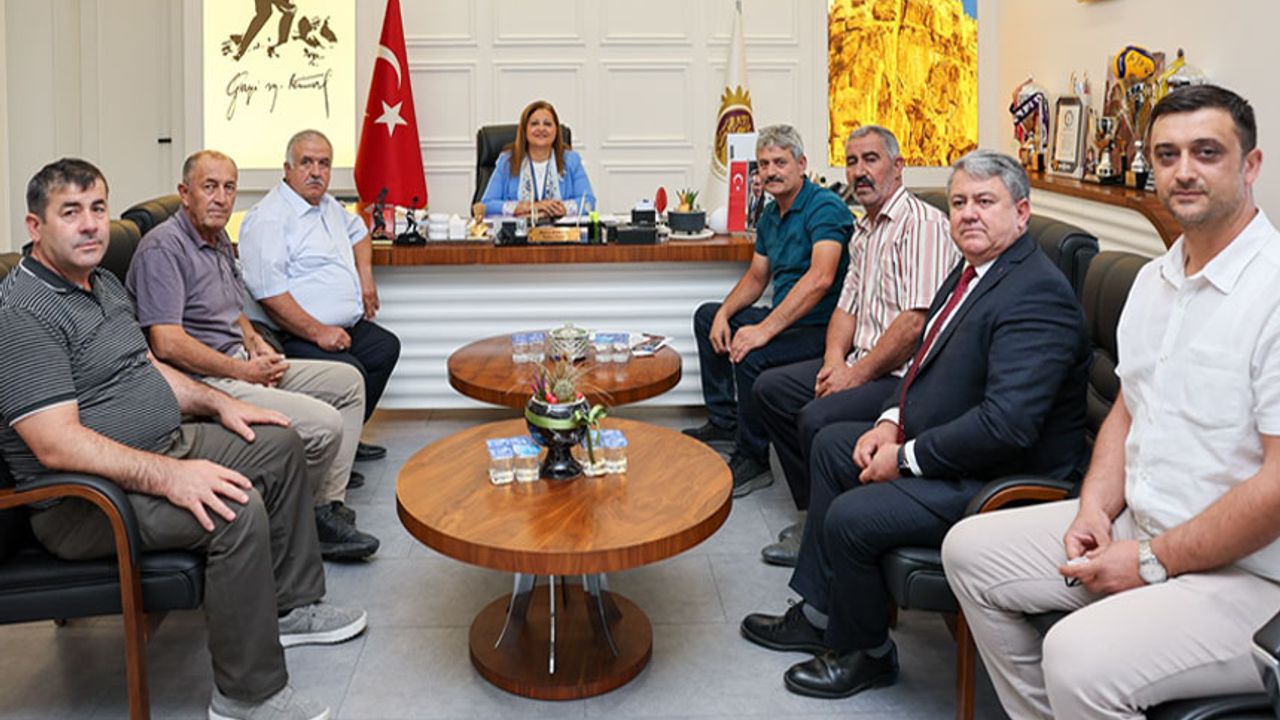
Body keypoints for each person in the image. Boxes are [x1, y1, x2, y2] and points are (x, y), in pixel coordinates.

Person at [944, 85, 1280, 719]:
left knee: (1076, 655)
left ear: (1251, 165)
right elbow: (1129, 407)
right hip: (1142, 527)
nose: (1184, 170)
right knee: (969, 551)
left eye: (1207, 152)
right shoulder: (1155, 280)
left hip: (1250, 576)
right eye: (1167, 155)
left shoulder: (1272, 292)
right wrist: (1094, 508)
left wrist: (1151, 561)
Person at [0, 158, 365, 720]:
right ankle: (246, 696)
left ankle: (292, 608)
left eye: (97, 208)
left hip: (160, 445)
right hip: (84, 502)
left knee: (278, 443)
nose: (91, 224)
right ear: (35, 226)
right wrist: (172, 476)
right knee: (235, 507)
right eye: (70, 212)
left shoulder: (102, 284)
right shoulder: (23, 313)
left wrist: (221, 402)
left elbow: (147, 368)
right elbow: (57, 445)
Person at [740, 149, 1089, 700]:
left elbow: (1006, 428)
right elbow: (926, 366)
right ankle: (821, 613)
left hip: (999, 481)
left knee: (852, 515)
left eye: (985, 202)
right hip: (955, 447)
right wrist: (890, 421)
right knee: (833, 444)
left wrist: (904, 458)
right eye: (959, 203)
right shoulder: (973, 270)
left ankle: (866, 654)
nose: (968, 214)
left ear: (1021, 213)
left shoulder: (1036, 294)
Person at [127, 149, 379, 561]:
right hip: (203, 381)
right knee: (325, 424)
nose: (221, 198)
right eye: (210, 187)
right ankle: (299, 523)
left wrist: (253, 339)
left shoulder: (218, 239)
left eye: (229, 188)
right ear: (185, 193)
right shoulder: (163, 250)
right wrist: (242, 371)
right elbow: (167, 342)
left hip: (242, 359)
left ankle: (325, 507)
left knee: (350, 383)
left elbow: (231, 307)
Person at [753, 125, 956, 566]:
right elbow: (845, 308)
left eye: (870, 159)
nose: (859, 171)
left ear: (898, 167)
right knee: (771, 389)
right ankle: (814, 511)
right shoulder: (864, 230)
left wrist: (854, 375)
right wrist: (833, 363)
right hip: (861, 362)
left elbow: (914, 324)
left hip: (903, 377)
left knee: (815, 416)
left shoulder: (921, 225)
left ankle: (825, 531)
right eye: (851, 162)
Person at [683, 124, 852, 494]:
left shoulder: (825, 207)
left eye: (780, 162)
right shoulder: (771, 215)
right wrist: (724, 314)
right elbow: (757, 277)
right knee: (707, 317)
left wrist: (763, 330)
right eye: (763, 164)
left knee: (751, 352)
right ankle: (725, 423)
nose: (770, 171)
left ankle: (754, 458)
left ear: (801, 164)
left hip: (821, 328)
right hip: (787, 319)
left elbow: (821, 278)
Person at [238, 129, 401, 465]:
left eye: (324, 164)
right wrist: (318, 332)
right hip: (294, 332)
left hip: (340, 327)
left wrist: (366, 278)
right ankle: (328, 453)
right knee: (350, 371)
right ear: (287, 169)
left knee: (385, 347)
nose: (316, 172)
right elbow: (270, 295)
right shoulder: (268, 218)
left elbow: (360, 233)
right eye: (306, 163)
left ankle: (346, 439)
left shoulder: (327, 205)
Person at [480, 100, 596, 218]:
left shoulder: (571, 160)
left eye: (547, 124)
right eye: (534, 124)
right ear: (524, 130)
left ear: (556, 130)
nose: (541, 128)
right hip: (520, 229)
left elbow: (589, 203)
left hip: (558, 229)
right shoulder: (507, 161)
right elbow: (486, 205)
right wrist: (527, 207)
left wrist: (561, 209)